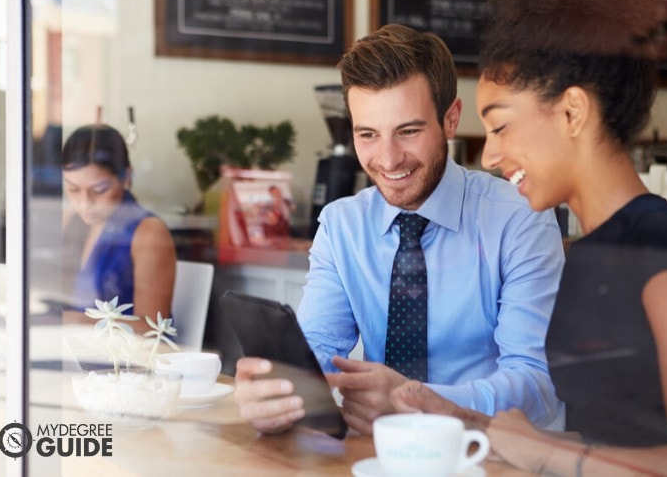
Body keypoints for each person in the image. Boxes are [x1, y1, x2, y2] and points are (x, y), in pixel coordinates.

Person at [389, 0, 667, 475]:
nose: (489, 154)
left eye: (501, 125)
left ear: (573, 111)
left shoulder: (664, 248)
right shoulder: (590, 252)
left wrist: (541, 450)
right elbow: (610, 439)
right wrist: (462, 419)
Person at [234, 24, 565, 436]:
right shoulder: (342, 227)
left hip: (488, 453)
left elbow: (537, 382)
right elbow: (316, 349)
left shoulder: (520, 218)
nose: (388, 160)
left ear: (450, 119)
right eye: (368, 135)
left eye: (408, 131)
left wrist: (418, 401)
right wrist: (277, 389)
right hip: (380, 452)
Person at [61, 123, 177, 334]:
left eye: (99, 190)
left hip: (125, 363)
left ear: (127, 178)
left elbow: (152, 332)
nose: (85, 203)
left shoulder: (149, 233)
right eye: (73, 189)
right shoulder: (71, 221)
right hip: (74, 352)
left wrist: (76, 322)